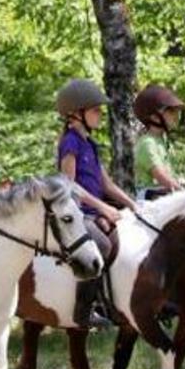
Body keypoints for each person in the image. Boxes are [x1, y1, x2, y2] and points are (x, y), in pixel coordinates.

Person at [56, 78, 137, 328]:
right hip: (78, 214)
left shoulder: (90, 143)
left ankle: (116, 300)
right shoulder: (70, 141)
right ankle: (85, 311)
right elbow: (69, 184)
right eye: (95, 110)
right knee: (100, 245)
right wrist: (103, 208)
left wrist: (133, 205)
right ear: (76, 114)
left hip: (94, 211)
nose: (100, 114)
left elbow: (106, 184)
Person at [132, 84, 185, 201]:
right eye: (171, 111)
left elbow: (169, 176)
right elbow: (162, 178)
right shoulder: (147, 143)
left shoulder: (162, 140)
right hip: (149, 202)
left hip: (162, 197)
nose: (176, 116)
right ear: (155, 117)